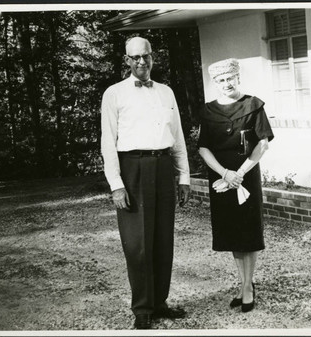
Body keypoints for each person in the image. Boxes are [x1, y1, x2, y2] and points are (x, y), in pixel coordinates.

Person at [100, 36, 190, 329]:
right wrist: (116, 183)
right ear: (126, 60)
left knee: (163, 240)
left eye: (146, 56)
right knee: (138, 244)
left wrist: (184, 177)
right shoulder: (114, 94)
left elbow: (177, 139)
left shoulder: (166, 93)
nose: (141, 62)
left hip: (163, 166)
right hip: (132, 169)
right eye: (135, 57)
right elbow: (107, 142)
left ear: (153, 57)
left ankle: (159, 303)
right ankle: (142, 309)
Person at [197, 58, 274, 313]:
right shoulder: (209, 111)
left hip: (246, 176)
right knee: (232, 233)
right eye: (220, 80)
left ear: (237, 77)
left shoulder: (253, 105)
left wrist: (238, 173)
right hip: (221, 179)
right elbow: (204, 147)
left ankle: (248, 287)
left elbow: (262, 144)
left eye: (230, 78)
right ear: (215, 83)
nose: (226, 83)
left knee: (248, 233)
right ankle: (243, 284)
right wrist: (224, 173)